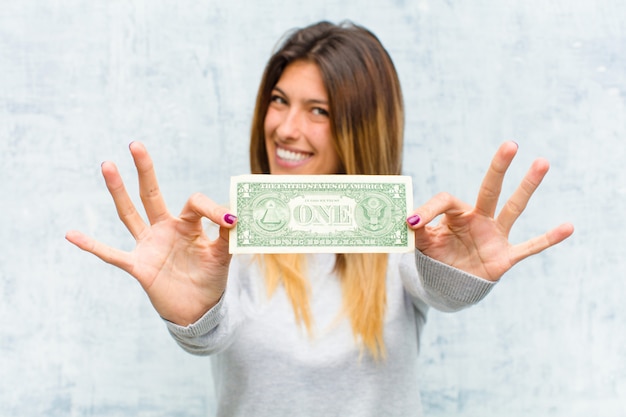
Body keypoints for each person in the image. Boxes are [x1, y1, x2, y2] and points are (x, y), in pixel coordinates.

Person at [66, 21, 574, 416]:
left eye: (319, 111)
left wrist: (460, 274)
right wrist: (190, 314)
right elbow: (209, 334)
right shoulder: (222, 246)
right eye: (279, 102)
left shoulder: (403, 238)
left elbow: (438, 290)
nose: (285, 128)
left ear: (362, 128)